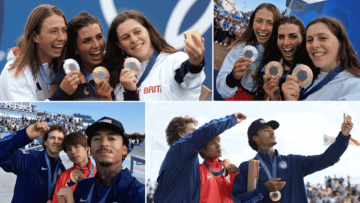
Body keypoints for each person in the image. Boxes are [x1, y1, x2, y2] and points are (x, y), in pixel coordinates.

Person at [232, 115, 354, 203]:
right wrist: (263, 189)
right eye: (266, 130)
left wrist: (343, 137)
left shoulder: (294, 162)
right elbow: (238, 199)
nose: (272, 132)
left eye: (272, 129)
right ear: (255, 138)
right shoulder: (246, 167)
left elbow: (327, 159)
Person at [103, 10, 206, 101]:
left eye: (137, 31)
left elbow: (189, 75)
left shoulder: (175, 59)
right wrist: (129, 91)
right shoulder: (120, 79)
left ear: (148, 31)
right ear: (119, 45)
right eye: (125, 37)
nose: (134, 40)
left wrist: (195, 62)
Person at [153, 113, 247, 203]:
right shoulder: (180, 149)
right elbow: (205, 132)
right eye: (193, 131)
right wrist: (232, 119)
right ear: (181, 133)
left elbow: (157, 197)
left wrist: (233, 173)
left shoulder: (174, 158)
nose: (196, 133)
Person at [0, 5, 79, 101]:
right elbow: (28, 115)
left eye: (64, 30)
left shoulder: (62, 68)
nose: (62, 37)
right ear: (35, 36)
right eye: (53, 31)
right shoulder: (15, 71)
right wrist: (61, 93)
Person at [282, 17, 360, 101]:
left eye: (323, 38)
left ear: (341, 42)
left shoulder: (354, 87)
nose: (314, 45)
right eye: (309, 40)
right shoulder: (306, 80)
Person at [216, 3, 282, 100]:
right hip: (238, 97)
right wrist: (233, 77)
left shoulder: (280, 54)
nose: (263, 27)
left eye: (270, 23)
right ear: (252, 22)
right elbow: (221, 90)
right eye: (259, 21)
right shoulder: (240, 47)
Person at [73, 117, 144, 202]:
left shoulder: (139, 194)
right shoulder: (82, 187)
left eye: (111, 138)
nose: (103, 143)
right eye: (97, 139)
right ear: (90, 150)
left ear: (125, 149)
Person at [0, 122, 67, 202]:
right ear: (45, 142)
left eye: (60, 139)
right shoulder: (28, 158)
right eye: (52, 138)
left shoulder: (62, 169)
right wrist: (25, 135)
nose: (56, 141)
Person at [252, 15, 315, 100]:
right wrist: (274, 98)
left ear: (303, 39)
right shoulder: (269, 67)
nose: (285, 42)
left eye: (292, 36)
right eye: (281, 37)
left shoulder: (314, 72)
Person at [65, 11, 113, 101]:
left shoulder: (119, 67)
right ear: (75, 47)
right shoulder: (67, 79)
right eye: (87, 41)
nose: (96, 45)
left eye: (99, 37)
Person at [51, 132, 97, 203]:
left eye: (76, 146)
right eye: (69, 149)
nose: (73, 152)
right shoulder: (64, 176)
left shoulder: (100, 174)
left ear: (87, 146)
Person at [199, 136, 239, 203]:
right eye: (212, 143)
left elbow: (238, 194)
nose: (218, 146)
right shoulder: (199, 171)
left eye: (218, 141)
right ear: (203, 149)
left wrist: (235, 174)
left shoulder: (228, 168)